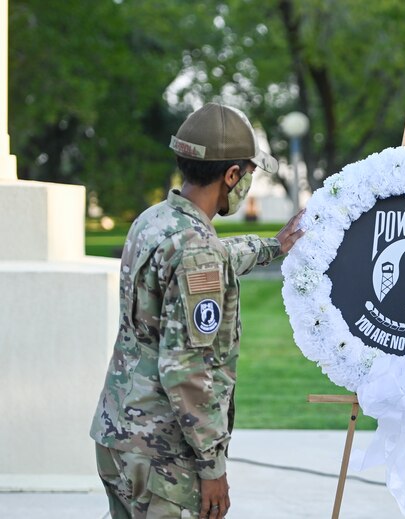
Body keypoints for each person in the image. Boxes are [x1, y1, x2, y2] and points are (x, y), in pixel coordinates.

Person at [91, 102, 304, 519]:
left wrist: (272, 247)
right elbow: (186, 368)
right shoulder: (197, 249)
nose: (247, 182)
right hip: (164, 455)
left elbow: (209, 258)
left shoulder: (154, 220)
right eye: (248, 173)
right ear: (231, 176)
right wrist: (212, 467)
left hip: (119, 434)